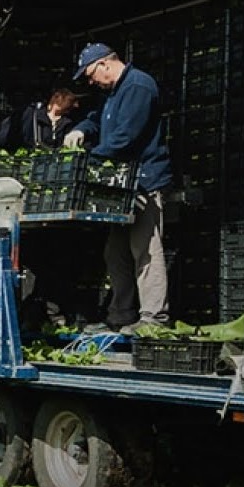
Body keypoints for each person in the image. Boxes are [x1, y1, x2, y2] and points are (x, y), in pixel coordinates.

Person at [65, 42, 173, 332]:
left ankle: (154, 319)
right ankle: (121, 315)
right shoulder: (112, 93)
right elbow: (97, 119)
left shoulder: (138, 86)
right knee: (115, 253)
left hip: (144, 184)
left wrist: (90, 158)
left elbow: (126, 137)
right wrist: (81, 129)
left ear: (104, 64)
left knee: (146, 251)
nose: (90, 82)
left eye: (89, 75)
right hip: (122, 189)